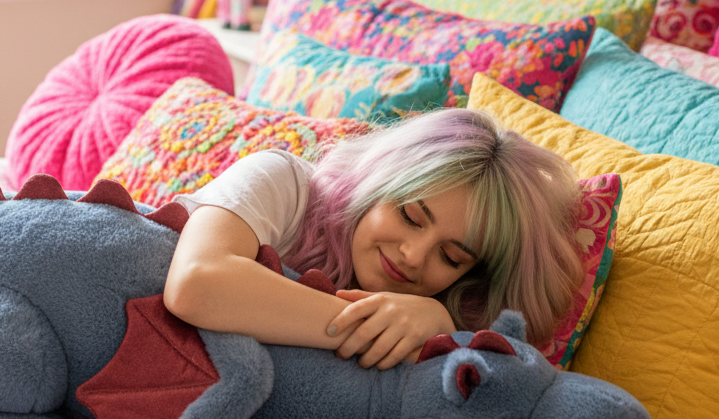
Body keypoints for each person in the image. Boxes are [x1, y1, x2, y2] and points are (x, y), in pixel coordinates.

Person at [163, 107, 584, 370]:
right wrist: (380, 328)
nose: (414, 256)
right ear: (377, 180)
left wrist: (442, 331)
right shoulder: (285, 183)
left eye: (452, 257)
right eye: (410, 216)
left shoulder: (440, 311)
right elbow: (197, 282)